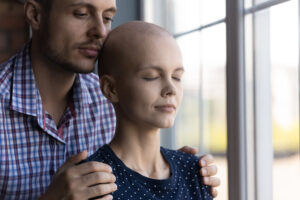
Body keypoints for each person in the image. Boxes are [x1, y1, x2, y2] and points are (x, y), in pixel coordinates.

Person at [0, 0, 219, 199]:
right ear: (35, 15)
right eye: (81, 13)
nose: (100, 31)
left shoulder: (116, 98)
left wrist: (173, 173)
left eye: (107, 18)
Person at [83, 21, 213, 200]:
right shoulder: (93, 182)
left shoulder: (194, 171)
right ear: (111, 89)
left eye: (176, 77)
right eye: (151, 77)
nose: (171, 89)